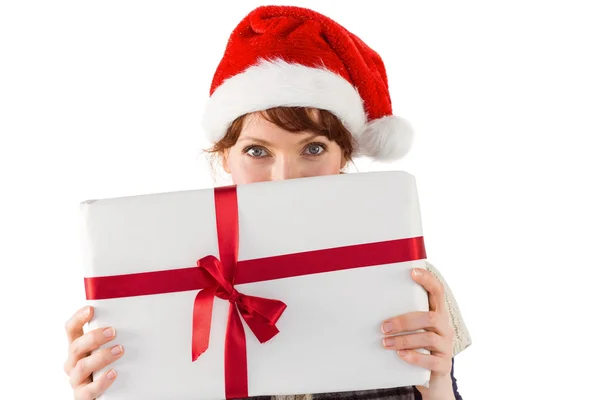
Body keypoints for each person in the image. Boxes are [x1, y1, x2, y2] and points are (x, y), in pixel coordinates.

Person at [63, 5, 472, 400]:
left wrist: (436, 388)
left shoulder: (406, 274)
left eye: (312, 148)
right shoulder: (162, 275)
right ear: (225, 156)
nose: (284, 177)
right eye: (258, 152)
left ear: (345, 155)